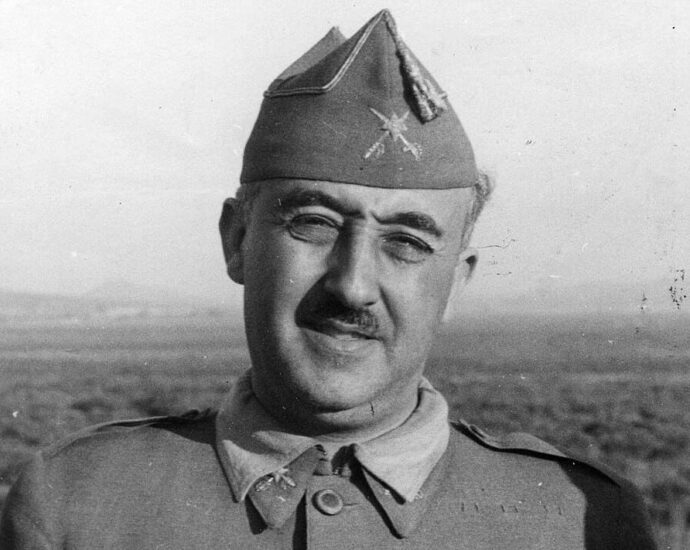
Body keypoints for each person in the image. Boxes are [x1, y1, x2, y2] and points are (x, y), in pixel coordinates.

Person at [0, 9, 656, 549]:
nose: (352, 286)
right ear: (237, 240)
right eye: (313, 224)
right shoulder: (76, 505)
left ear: (456, 284)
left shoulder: (582, 523)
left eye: (407, 242)